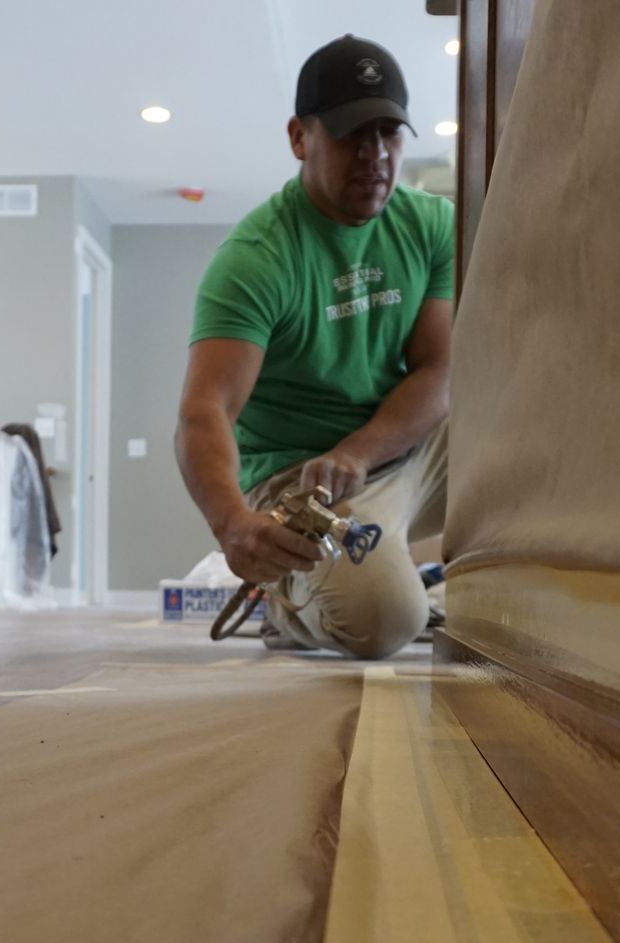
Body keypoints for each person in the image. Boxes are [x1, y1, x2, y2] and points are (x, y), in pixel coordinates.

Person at [175, 34, 453, 659]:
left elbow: (441, 369)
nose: (376, 154)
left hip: (403, 448)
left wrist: (362, 448)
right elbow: (203, 413)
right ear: (301, 138)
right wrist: (232, 527)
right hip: (303, 482)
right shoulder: (256, 260)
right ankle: (285, 604)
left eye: (389, 133)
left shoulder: (433, 226)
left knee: (542, 439)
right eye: (354, 134)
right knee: (383, 623)